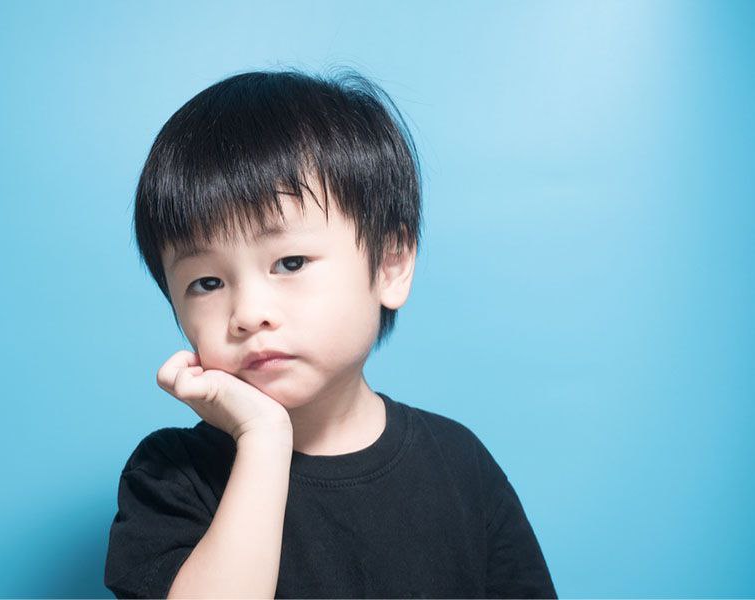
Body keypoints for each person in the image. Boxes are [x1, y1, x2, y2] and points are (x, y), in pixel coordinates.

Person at [104, 67, 557, 599]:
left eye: (290, 262)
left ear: (390, 264)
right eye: (207, 282)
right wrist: (263, 440)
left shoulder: (458, 465)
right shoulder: (169, 476)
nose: (249, 313)